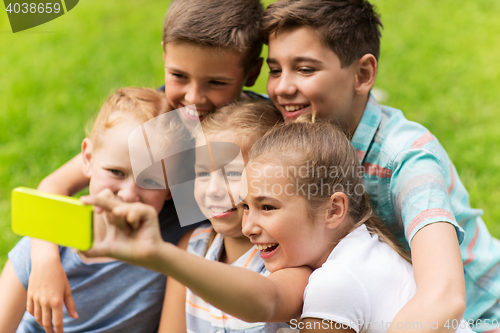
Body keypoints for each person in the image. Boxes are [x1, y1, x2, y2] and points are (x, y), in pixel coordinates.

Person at [79, 118, 473, 333]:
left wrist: (158, 253)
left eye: (267, 207)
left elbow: (265, 301)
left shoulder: (335, 281)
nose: (249, 225)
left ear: (334, 209)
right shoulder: (362, 249)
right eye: (247, 206)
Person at [259, 0, 500, 331]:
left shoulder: (407, 158)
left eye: (305, 69)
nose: (282, 87)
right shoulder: (290, 130)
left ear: (363, 74)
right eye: (274, 70)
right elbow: (205, 114)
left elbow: (444, 297)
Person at [26, 0, 266, 331]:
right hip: (143, 265)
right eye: (179, 76)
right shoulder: (160, 121)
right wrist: (43, 261)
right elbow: (54, 186)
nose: (194, 97)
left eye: (217, 83)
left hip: (218, 263)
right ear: (165, 55)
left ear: (252, 72)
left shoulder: (258, 130)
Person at [0, 87, 173, 333]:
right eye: (116, 172)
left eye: (150, 180)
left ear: (170, 189)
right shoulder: (42, 248)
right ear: (88, 158)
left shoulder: (173, 256)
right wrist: (43, 259)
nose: (128, 194)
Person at [158, 99, 294, 332]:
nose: (213, 190)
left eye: (232, 173)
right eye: (202, 173)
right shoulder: (191, 249)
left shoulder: (286, 262)